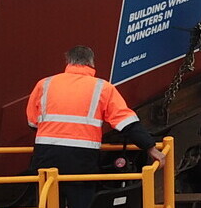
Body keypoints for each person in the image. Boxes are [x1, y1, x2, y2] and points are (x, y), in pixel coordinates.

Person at [27, 46, 166, 208]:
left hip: (46, 157)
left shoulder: (45, 84)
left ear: (67, 61)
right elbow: (126, 122)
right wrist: (151, 148)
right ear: (91, 63)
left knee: (47, 200)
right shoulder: (103, 88)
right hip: (81, 161)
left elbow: (32, 122)